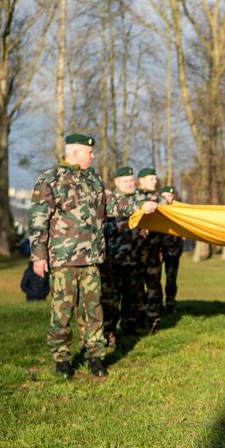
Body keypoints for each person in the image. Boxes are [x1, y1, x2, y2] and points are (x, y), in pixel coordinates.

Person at [29, 134, 156, 378]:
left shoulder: (93, 178)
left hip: (92, 258)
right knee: (62, 310)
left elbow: (111, 203)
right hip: (63, 259)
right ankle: (62, 359)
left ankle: (95, 356)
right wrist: (38, 255)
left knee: (94, 310)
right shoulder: (49, 179)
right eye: (90, 152)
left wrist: (139, 207)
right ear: (75, 152)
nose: (93, 155)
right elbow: (37, 219)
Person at [101, 167, 139, 342]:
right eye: (126, 181)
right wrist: (118, 227)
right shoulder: (109, 201)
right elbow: (101, 229)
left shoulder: (141, 202)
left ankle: (130, 328)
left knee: (133, 296)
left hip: (135, 258)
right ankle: (108, 332)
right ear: (116, 182)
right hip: (113, 261)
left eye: (132, 180)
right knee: (111, 300)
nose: (130, 184)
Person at [134, 167, 163, 333]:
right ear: (142, 180)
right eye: (151, 179)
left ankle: (153, 321)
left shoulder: (159, 199)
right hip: (135, 252)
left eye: (155, 178)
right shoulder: (134, 199)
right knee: (136, 289)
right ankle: (137, 320)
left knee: (153, 287)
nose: (155, 181)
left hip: (153, 251)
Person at [159, 185, 184, 314]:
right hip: (158, 249)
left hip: (174, 250)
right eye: (165, 196)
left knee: (171, 278)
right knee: (155, 279)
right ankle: (156, 304)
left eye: (170, 195)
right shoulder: (157, 209)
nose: (168, 198)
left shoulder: (178, 210)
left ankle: (170, 303)